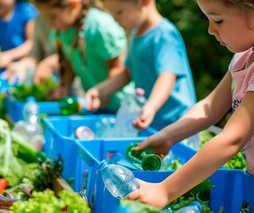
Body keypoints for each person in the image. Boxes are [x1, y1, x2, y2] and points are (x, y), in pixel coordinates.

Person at [127, 0, 254, 208]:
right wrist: (169, 136)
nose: (211, 30)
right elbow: (209, 107)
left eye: (218, 20)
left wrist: (165, 190)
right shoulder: (245, 56)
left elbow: (233, 138)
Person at [84, 0, 196, 130]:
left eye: (119, 12)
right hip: (153, 122)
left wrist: (151, 106)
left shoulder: (164, 35)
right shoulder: (135, 34)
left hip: (178, 124)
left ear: (144, 1)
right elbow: (128, 74)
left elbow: (167, 76)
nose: (116, 20)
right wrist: (99, 91)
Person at [33, 0, 134, 112]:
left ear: (73, 4)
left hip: (120, 106)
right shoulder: (64, 29)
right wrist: (64, 86)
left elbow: (117, 68)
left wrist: (103, 93)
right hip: (94, 104)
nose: (49, 23)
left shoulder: (100, 26)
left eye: (52, 16)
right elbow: (69, 61)